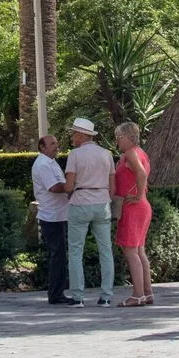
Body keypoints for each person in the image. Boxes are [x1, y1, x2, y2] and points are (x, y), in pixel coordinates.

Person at [63, 115, 115, 305]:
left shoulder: (75, 155)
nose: (72, 137)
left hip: (80, 202)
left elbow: (68, 186)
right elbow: (113, 184)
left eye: (73, 134)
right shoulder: (106, 154)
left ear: (80, 135)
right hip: (102, 202)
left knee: (76, 251)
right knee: (106, 250)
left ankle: (78, 297)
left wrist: (71, 191)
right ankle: (106, 296)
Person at [114, 121, 154, 306]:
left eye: (119, 137)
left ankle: (137, 294)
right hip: (142, 206)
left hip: (133, 206)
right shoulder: (141, 152)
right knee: (139, 250)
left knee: (131, 251)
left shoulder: (130, 153)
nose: (117, 142)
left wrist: (137, 195)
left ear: (128, 137)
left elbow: (141, 174)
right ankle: (147, 292)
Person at [30, 132, 72, 304]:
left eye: (56, 142)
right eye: (52, 144)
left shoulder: (51, 162)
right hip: (51, 216)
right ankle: (55, 294)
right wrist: (72, 187)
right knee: (57, 256)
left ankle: (59, 291)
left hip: (59, 215)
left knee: (60, 255)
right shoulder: (42, 165)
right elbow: (54, 188)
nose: (56, 146)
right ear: (42, 147)